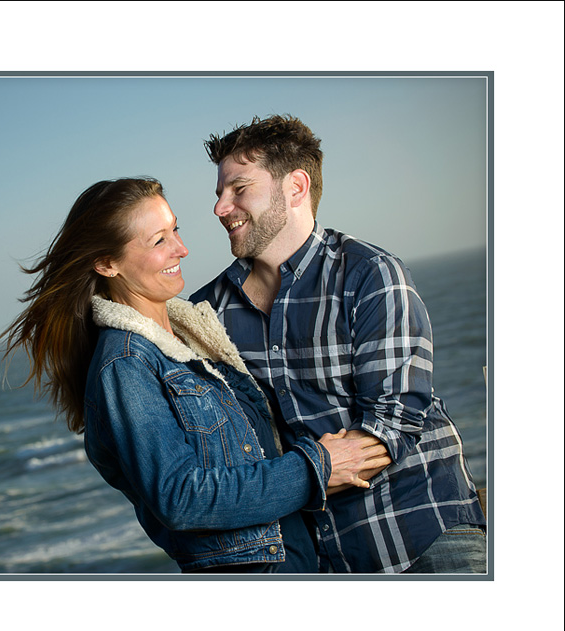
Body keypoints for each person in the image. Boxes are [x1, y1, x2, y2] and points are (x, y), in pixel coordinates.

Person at [0, 177, 390, 573]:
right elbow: (181, 498)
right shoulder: (126, 364)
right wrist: (316, 467)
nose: (181, 248)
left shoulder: (193, 337)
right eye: (158, 241)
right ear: (107, 264)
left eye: (175, 230)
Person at [191, 115, 487, 573]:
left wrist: (279, 482)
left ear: (295, 187)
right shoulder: (205, 313)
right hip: (320, 563)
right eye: (219, 193)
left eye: (239, 189)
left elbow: (390, 428)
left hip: (424, 538)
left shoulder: (371, 275)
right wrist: (304, 474)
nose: (220, 208)